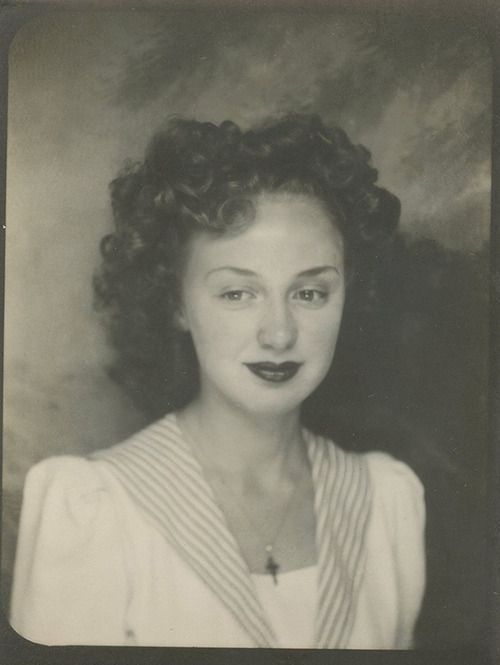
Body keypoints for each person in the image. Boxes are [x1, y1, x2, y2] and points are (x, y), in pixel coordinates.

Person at [10, 113, 425, 649]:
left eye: (310, 293)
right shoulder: (93, 508)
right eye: (237, 293)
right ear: (177, 303)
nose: (279, 333)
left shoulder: (387, 500)